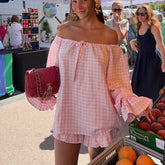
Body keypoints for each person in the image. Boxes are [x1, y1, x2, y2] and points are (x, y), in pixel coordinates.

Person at [46, 0, 153, 164]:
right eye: (74, 1)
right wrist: (45, 85)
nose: (78, 6)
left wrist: (133, 103)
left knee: (98, 162)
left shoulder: (109, 36)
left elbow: (116, 83)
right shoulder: (63, 31)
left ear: (96, 2)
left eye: (83, 0)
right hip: (68, 111)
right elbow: (53, 71)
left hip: (97, 114)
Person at [130, 5, 165, 102]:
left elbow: (161, 44)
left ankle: (155, 111)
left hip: (152, 61)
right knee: (139, 87)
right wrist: (132, 42)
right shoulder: (139, 26)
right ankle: (142, 112)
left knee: (151, 88)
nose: (140, 16)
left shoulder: (153, 27)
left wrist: (164, 61)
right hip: (141, 61)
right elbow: (143, 42)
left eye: (142, 14)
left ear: (148, 14)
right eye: (138, 14)